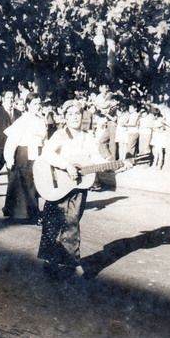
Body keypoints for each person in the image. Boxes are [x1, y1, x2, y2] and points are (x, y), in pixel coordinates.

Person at [37, 100, 128, 279]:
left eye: (77, 114)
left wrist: (117, 165)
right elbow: (47, 154)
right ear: (64, 118)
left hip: (78, 187)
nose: (74, 118)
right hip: (57, 183)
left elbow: (96, 160)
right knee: (52, 223)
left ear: (82, 116)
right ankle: (50, 260)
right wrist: (67, 165)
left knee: (72, 222)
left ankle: (71, 263)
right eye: (70, 115)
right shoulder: (60, 135)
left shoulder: (88, 137)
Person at [2, 93, 46, 222]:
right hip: (23, 154)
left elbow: (44, 139)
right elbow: (12, 140)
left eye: (39, 104)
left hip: (37, 153)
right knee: (22, 185)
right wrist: (9, 158)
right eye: (35, 104)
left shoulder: (41, 120)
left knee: (34, 183)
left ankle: (32, 213)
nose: (38, 107)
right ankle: (23, 215)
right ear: (28, 105)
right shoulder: (23, 120)